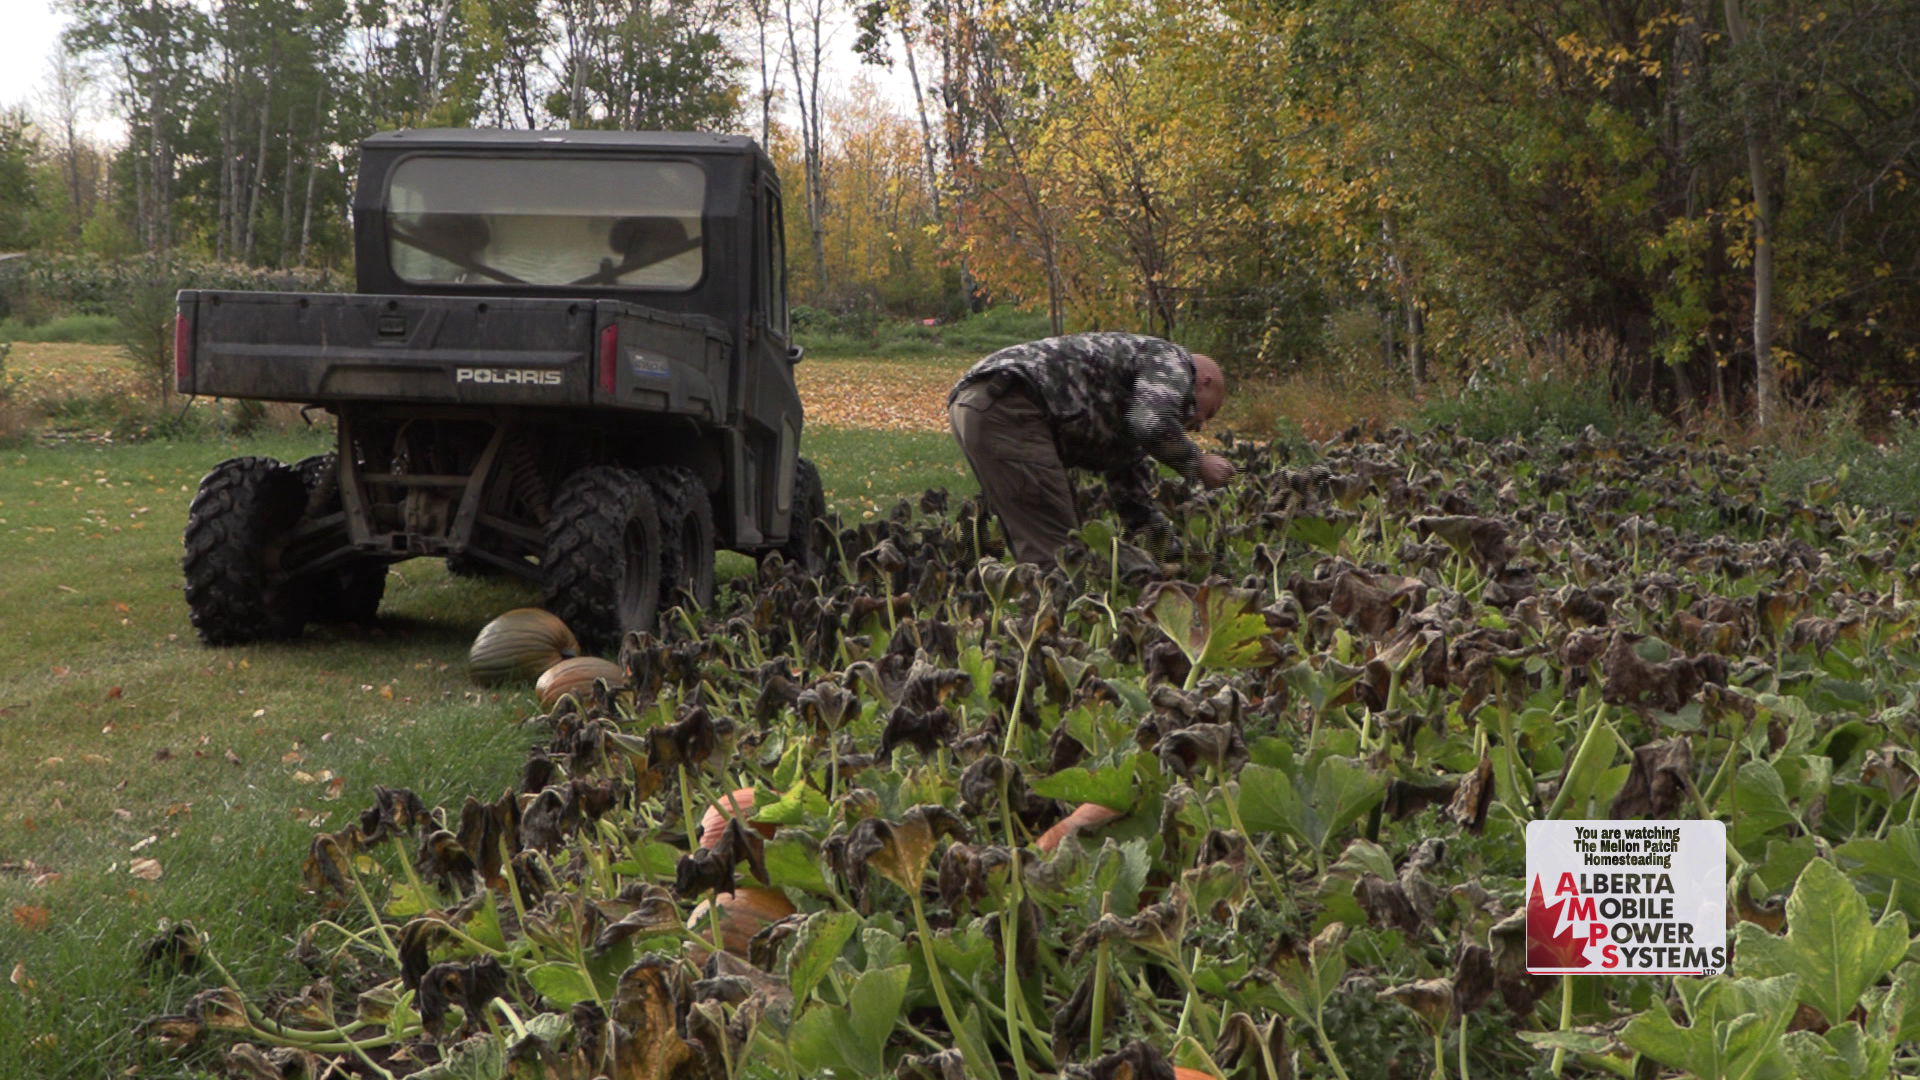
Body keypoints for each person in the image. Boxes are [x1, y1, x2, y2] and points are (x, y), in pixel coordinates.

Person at [947, 331, 1235, 568]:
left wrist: (1178, 559)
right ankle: (1048, 631)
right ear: (1204, 382)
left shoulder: (1127, 400)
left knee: (1040, 530)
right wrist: (1199, 463)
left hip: (980, 403)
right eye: (1209, 412)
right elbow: (1150, 424)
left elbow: (1133, 501)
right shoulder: (1174, 362)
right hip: (1012, 403)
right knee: (1057, 555)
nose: (1200, 425)